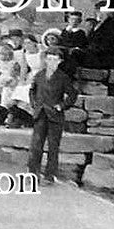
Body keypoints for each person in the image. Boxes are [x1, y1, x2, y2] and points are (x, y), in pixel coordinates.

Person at [29, 47, 80, 185]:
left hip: (55, 116)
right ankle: (33, 174)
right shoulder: (39, 75)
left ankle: (49, 176)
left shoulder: (63, 78)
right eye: (49, 59)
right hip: (40, 114)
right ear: (45, 60)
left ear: (60, 61)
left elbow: (72, 95)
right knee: (36, 145)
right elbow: (32, 90)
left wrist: (62, 106)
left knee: (53, 146)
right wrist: (34, 104)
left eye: (55, 60)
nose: (52, 62)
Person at [6, 34, 43, 128]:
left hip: (40, 76)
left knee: (28, 90)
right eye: (25, 43)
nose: (27, 45)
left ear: (35, 43)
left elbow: (43, 68)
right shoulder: (25, 53)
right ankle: (12, 117)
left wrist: (35, 80)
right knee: (19, 89)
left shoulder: (41, 53)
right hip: (30, 76)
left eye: (29, 43)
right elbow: (24, 68)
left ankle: (20, 118)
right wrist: (22, 80)